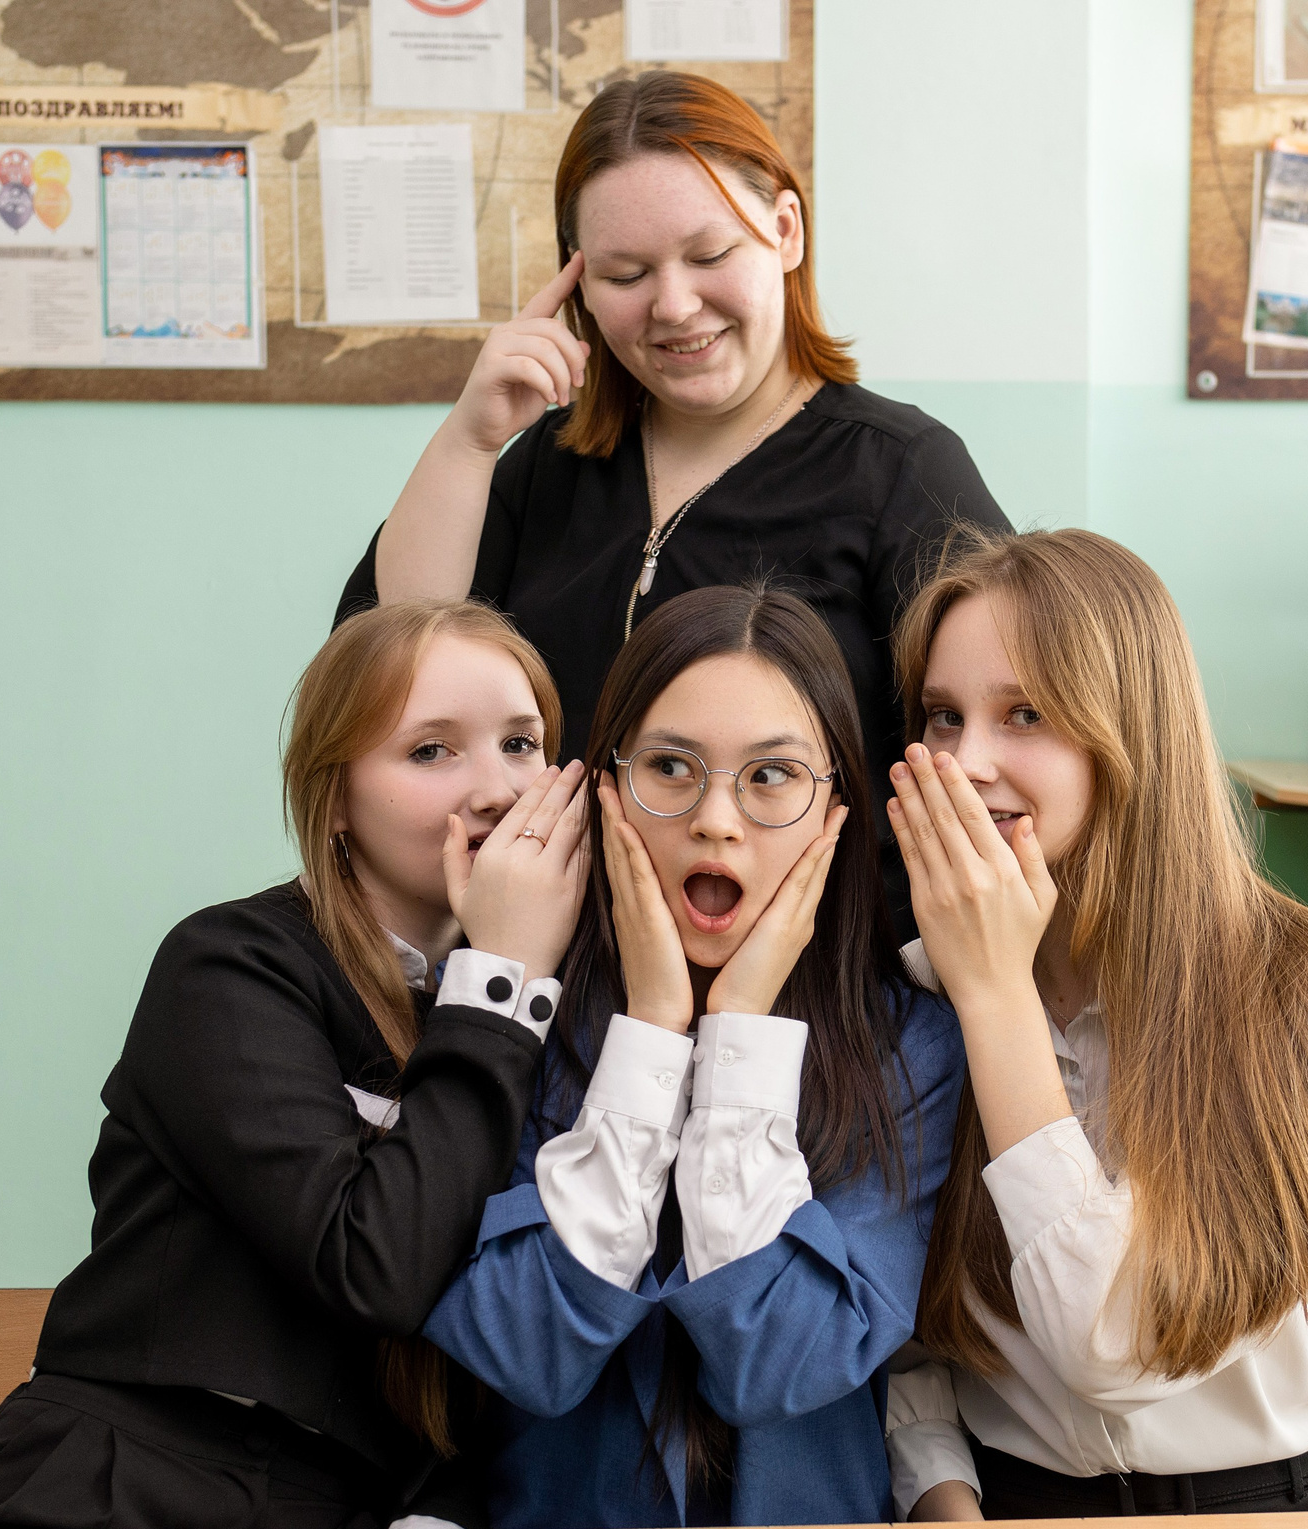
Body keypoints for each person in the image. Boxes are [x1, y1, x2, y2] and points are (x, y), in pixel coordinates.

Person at [0, 601, 592, 1529]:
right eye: (431, 751)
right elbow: (377, 1265)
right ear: (336, 798)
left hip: (354, 1527)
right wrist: (499, 980)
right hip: (120, 1495)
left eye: (522, 743)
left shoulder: (549, 1015)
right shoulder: (229, 966)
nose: (497, 790)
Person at [342, 71, 1007, 918]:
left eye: (709, 255)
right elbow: (387, 674)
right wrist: (471, 441)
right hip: (556, 976)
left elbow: (1003, 744)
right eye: (625, 273)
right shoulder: (551, 460)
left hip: (818, 995)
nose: (675, 305)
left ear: (786, 229)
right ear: (577, 285)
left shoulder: (901, 470)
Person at [877, 530, 1308, 1522]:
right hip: (1012, 1524)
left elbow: (1113, 1346)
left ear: (1128, 731)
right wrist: (941, 1494)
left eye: (1023, 713)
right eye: (942, 718)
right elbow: (908, 1329)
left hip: (1268, 1520)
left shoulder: (1302, 989)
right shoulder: (913, 993)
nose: (963, 763)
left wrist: (995, 1002)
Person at [419, 585, 964, 1526]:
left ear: (837, 807)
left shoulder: (913, 1045)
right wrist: (654, 1032)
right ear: (605, 786)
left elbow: (783, 1360)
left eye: (771, 776)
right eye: (671, 767)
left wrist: (741, 1026)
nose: (717, 820)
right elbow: (525, 1350)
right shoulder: (511, 1023)